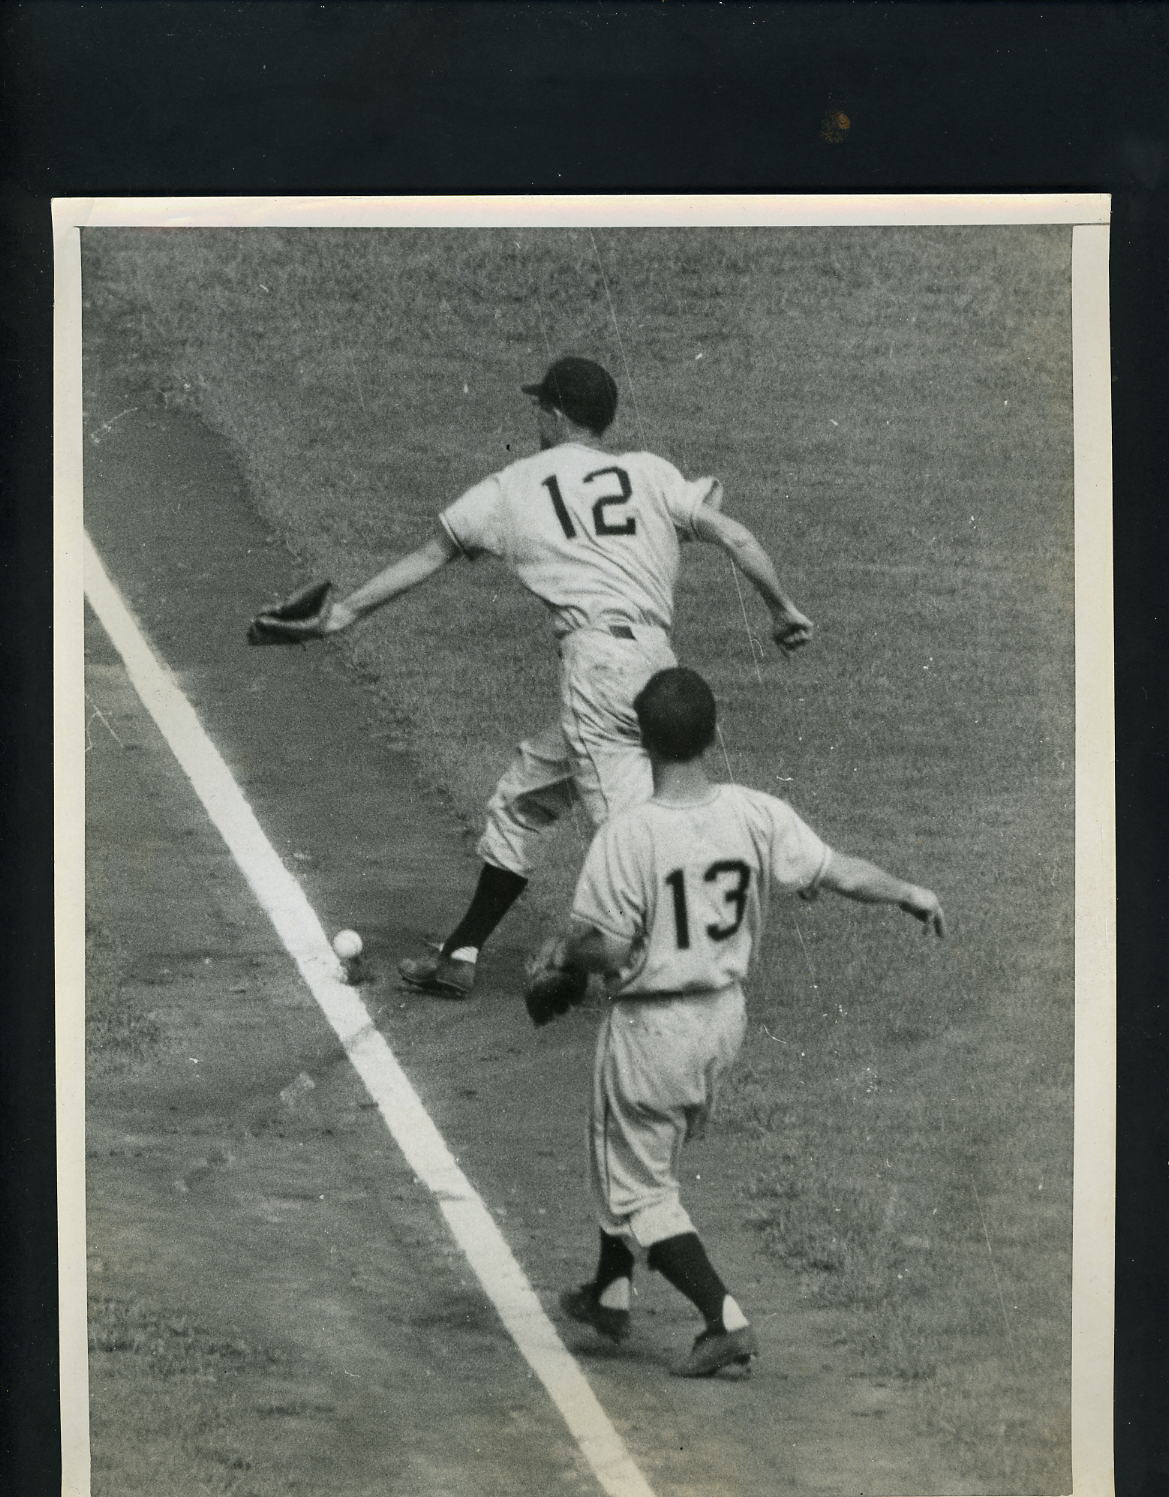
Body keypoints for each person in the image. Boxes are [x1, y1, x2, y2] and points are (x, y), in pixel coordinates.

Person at [317, 355, 814, 997]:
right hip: (656, 667)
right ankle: (460, 953)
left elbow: (430, 556)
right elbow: (736, 538)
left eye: (538, 408)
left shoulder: (515, 485)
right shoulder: (651, 472)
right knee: (523, 796)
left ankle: (667, 965)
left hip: (598, 673)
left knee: (627, 834)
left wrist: (345, 613)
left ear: (556, 414)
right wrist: (782, 608)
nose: (534, 419)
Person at [547, 666, 944, 1377]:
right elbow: (838, 871)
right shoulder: (757, 814)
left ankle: (722, 1317)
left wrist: (565, 949)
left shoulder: (626, 834)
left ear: (642, 743)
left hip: (651, 1031)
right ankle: (609, 1290)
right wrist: (906, 891)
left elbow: (603, 945)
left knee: (638, 1183)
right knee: (645, 1156)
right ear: (713, 732)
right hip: (720, 1025)